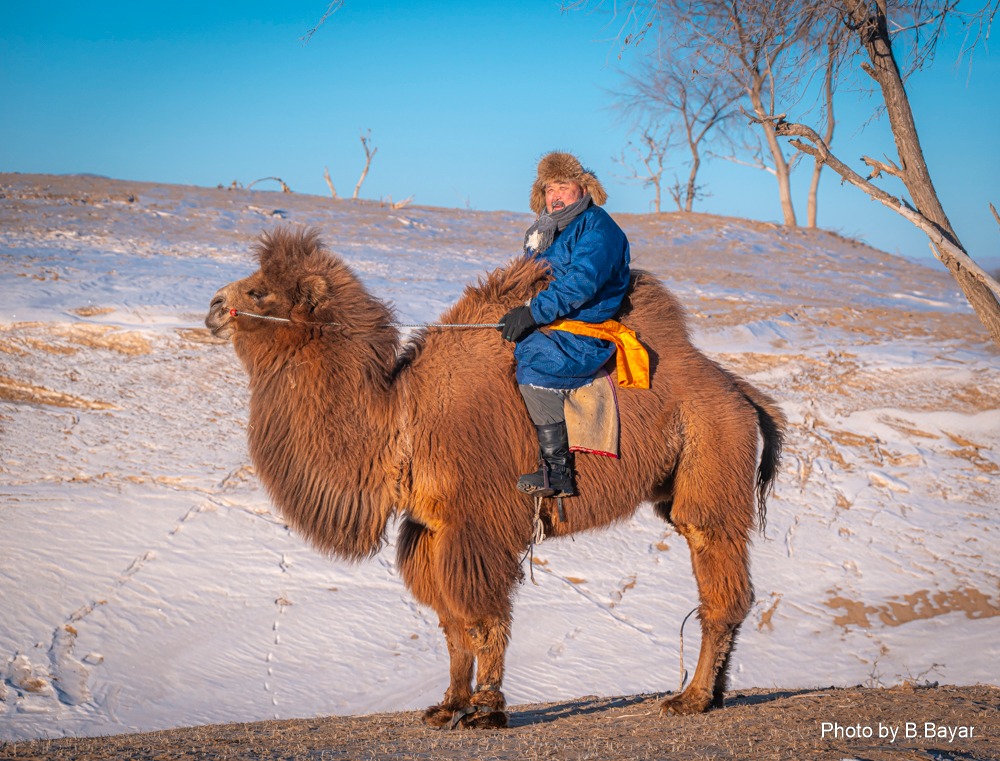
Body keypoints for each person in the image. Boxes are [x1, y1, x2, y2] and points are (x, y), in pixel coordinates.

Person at [498, 151, 631, 497]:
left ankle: (557, 471)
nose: (554, 197)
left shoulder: (598, 227)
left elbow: (580, 284)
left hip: (581, 329)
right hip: (553, 320)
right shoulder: (545, 232)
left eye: (561, 187)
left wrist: (531, 314)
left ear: (582, 188)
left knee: (534, 363)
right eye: (547, 190)